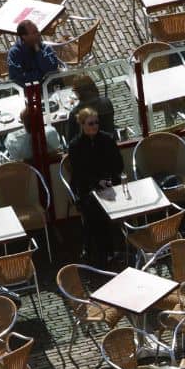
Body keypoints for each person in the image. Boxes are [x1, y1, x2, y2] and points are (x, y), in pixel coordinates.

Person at [67, 107, 124, 265]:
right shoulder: (75, 145)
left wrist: (109, 179)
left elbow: (118, 164)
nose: (94, 126)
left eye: (96, 123)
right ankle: (105, 251)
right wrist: (96, 182)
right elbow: (79, 172)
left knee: (110, 202)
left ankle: (105, 249)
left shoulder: (107, 139)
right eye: (90, 123)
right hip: (87, 186)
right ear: (82, 125)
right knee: (95, 208)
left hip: (109, 183)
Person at [7, 19, 61, 86]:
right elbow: (17, 78)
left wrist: (38, 52)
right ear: (24, 36)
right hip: (28, 92)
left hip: (51, 87)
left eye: (37, 30)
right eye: (34, 32)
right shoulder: (15, 53)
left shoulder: (45, 47)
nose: (38, 34)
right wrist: (42, 74)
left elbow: (52, 68)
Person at [65, 75, 115, 141]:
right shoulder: (107, 102)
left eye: (74, 90)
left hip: (86, 148)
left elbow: (70, 139)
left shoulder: (75, 113)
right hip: (109, 142)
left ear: (78, 92)